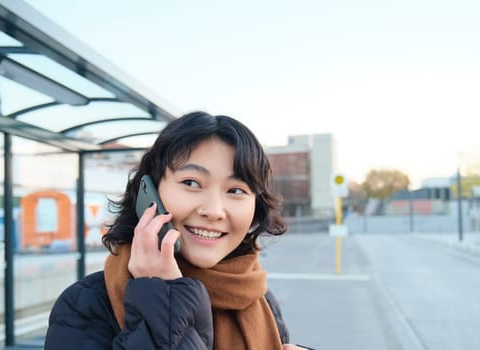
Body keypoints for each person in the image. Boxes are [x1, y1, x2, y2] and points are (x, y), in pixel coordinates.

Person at [44, 111, 308, 349]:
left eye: (236, 190)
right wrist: (161, 299)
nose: (214, 210)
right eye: (192, 183)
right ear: (149, 193)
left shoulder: (259, 298)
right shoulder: (85, 306)